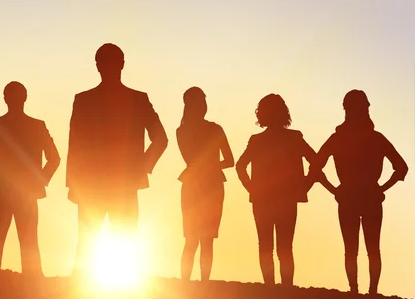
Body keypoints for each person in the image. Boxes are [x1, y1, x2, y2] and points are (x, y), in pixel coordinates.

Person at [66, 43, 168, 276]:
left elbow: (76, 145)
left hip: (97, 184)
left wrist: (73, 183)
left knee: (93, 242)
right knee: (114, 241)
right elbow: (161, 139)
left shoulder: (85, 100)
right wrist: (142, 166)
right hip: (114, 184)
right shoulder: (136, 99)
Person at [311, 90, 408, 294]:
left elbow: (315, 168)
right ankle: (370, 291)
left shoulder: (339, 138)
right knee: (372, 249)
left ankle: (356, 290)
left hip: (349, 197)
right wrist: (381, 188)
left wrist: (334, 190)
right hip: (367, 197)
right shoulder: (376, 138)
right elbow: (401, 168)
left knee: (352, 250)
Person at [0, 81, 60, 275]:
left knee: (0, 243)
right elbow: (54, 158)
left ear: (5, 99)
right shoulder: (34, 126)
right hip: (19, 192)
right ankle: (31, 287)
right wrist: (39, 180)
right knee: (21, 243)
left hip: (7, 192)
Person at [236, 94, 320, 286]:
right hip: (283, 199)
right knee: (284, 247)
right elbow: (315, 162)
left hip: (265, 199)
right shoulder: (293, 137)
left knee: (267, 246)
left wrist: (252, 189)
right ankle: (285, 288)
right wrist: (305, 185)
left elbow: (240, 166)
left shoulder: (258, 140)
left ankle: (271, 288)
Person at [177, 87, 234, 281]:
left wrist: (205, 165)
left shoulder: (183, 131)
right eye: (200, 102)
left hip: (200, 184)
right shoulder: (209, 129)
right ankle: (196, 283)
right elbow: (228, 160)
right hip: (207, 184)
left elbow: (229, 160)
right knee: (197, 239)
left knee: (198, 239)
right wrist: (211, 165)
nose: (203, 106)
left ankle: (197, 283)